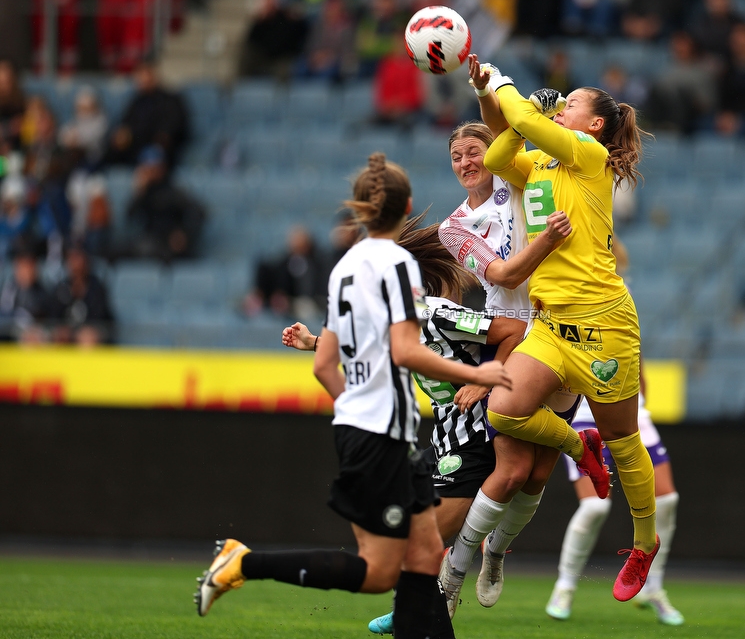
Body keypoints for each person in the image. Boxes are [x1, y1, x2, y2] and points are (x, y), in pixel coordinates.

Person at [194, 153, 511, 639]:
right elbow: (405, 349)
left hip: (373, 430)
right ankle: (244, 563)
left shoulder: (343, 270)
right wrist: (479, 373)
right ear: (406, 206)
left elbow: (328, 364)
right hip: (382, 435)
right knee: (381, 572)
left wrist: (357, 409)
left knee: (424, 558)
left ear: (360, 211)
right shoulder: (398, 264)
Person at [283, 215, 536, 636]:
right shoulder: (394, 322)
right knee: (415, 543)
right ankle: (426, 599)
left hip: (473, 432)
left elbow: (514, 331)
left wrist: (479, 384)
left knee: (419, 542)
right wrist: (312, 343)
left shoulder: (434, 313)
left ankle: (443, 587)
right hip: (444, 435)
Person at [476, 61, 660, 602]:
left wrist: (504, 87)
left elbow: (528, 128)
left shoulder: (589, 156)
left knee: (626, 443)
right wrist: (519, 111)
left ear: (594, 125)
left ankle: (643, 544)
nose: (564, 105)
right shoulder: (538, 164)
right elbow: (495, 157)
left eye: (573, 103)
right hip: (552, 324)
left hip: (604, 324)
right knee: (503, 410)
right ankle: (578, 445)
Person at [435, 96, 577, 617]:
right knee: (514, 470)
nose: (467, 162)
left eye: (474, 151)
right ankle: (454, 574)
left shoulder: (517, 181)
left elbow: (507, 140)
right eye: (457, 156)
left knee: (539, 474)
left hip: (565, 321)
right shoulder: (454, 227)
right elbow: (501, 275)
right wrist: (547, 242)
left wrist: (485, 94)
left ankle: (495, 552)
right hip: (513, 331)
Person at [545, 242, 683, 626]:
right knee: (594, 506)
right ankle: (565, 586)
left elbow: (632, 352)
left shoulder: (618, 293)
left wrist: (642, 392)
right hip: (585, 415)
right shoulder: (562, 288)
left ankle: (653, 586)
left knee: (667, 500)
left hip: (629, 407)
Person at [117, 146, 206, 262]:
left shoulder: (173, 191)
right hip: (150, 239)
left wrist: (184, 234)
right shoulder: (144, 193)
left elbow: (199, 213)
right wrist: (139, 192)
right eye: (147, 168)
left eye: (153, 167)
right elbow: (130, 216)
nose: (150, 172)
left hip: (169, 243)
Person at [103, 60, 190, 169]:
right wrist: (122, 135)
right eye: (138, 77)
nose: (141, 81)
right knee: (107, 151)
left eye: (144, 76)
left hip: (157, 147)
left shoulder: (170, 100)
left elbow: (172, 127)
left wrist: (162, 138)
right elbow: (126, 123)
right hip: (133, 146)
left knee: (152, 156)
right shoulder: (136, 101)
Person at [48, 243, 114, 346]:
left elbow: (100, 319)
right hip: (69, 332)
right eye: (71, 258)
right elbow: (53, 317)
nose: (75, 264)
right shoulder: (62, 288)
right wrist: (63, 329)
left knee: (87, 337)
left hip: (90, 332)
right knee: (59, 336)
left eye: (78, 258)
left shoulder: (96, 287)